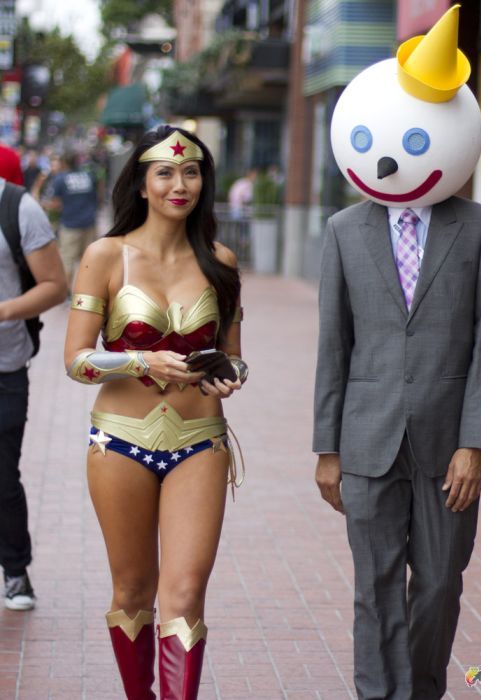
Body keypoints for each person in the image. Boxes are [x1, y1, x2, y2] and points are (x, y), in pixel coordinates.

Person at [313, 7, 481, 700]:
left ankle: (422, 689)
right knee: (373, 587)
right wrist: (327, 448)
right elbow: (333, 345)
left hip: (447, 444)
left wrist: (475, 445)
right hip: (366, 443)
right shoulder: (343, 230)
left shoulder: (479, 228)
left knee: (439, 584)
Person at [63, 125, 248, 699]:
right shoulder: (105, 255)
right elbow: (75, 361)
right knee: (132, 591)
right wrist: (141, 360)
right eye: (165, 172)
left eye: (191, 172)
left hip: (201, 441)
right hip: (120, 441)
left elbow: (237, 359)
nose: (179, 184)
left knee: (186, 594)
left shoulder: (220, 260)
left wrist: (228, 375)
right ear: (142, 184)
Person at [0, 170, 67, 611]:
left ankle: (15, 569)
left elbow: (56, 286)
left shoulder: (18, 208)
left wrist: (4, 310)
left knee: (2, 476)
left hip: (4, 367)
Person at [49, 152, 99, 295]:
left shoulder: (60, 179)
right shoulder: (89, 175)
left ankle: (66, 293)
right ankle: (90, 291)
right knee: (90, 259)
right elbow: (98, 195)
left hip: (70, 225)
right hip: (89, 223)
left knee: (67, 261)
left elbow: (56, 204)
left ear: (64, 163)